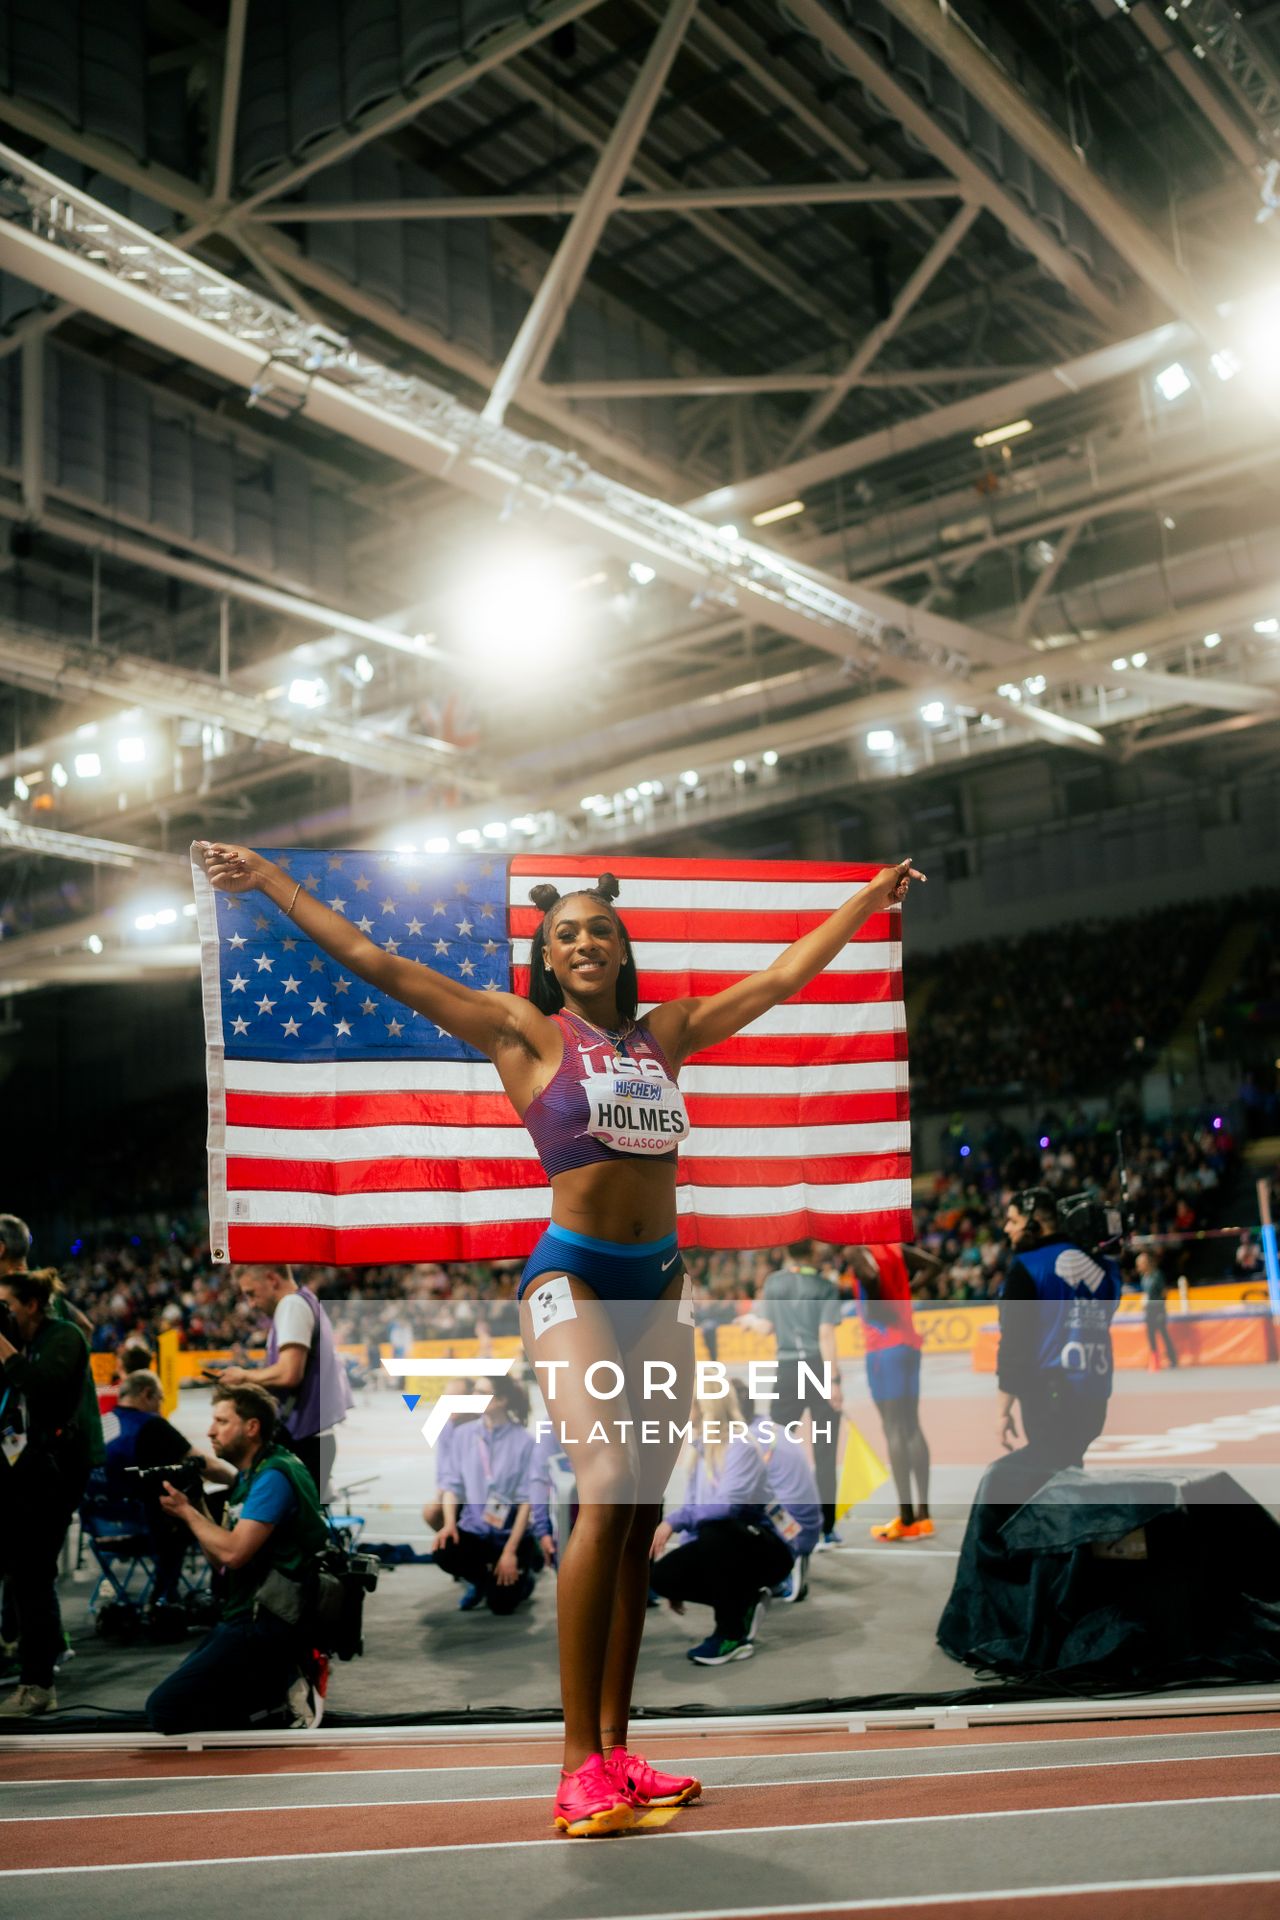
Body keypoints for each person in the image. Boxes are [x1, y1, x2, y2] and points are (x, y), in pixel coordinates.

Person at [199, 837, 923, 1836]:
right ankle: (575, 1761)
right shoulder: (523, 1032)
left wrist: (866, 900)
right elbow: (379, 964)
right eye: (564, 934)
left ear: (623, 948)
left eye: (599, 930)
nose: (583, 943)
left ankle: (619, 1752)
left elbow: (780, 977)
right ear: (547, 958)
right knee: (606, 1473)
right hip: (570, 1277)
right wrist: (272, 883)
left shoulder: (665, 1034)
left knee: (635, 1511)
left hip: (660, 1287)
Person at [145, 1382, 328, 1734]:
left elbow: (234, 1553)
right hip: (249, 1613)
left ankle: (277, 1700)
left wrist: (186, 1514)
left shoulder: (273, 1475)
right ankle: (272, 1691)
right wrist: (196, 1503)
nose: (211, 1431)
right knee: (181, 1699)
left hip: (268, 1622)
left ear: (251, 1427)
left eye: (221, 1421)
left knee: (165, 1710)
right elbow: (222, 1563)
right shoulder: (253, 1475)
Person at [0, 1268, 92, 1716]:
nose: (4, 1314)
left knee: (32, 1575)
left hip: (51, 1473)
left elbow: (42, 1389)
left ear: (32, 1304)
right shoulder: (27, 1341)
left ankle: (38, 1685)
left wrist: (4, 1350)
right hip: (20, 1471)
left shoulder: (64, 1337)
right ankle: (38, 1660)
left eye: (7, 1306)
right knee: (23, 1575)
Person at [993, 1189, 1123, 1502]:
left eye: (1013, 1221)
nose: (1007, 1229)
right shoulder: (1101, 1266)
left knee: (1049, 1486)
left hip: (1048, 1396)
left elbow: (1015, 1344)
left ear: (1034, 1224)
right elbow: (1110, 1303)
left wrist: (1003, 1411)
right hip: (1094, 1393)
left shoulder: (1028, 1266)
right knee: (1070, 1470)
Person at [649, 1382, 792, 1664]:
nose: (681, 1412)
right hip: (727, 1545)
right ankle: (745, 1602)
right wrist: (680, 1578)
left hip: (766, 1550)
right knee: (661, 1576)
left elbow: (727, 1507)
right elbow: (695, 1508)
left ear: (706, 1408)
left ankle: (732, 1635)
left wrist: (674, 1521)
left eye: (687, 1405)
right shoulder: (700, 1451)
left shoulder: (741, 1445)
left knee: (715, 1528)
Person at [97, 1371, 233, 1608]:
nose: (160, 1407)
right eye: (159, 1400)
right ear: (147, 1394)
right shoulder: (153, 1426)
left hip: (101, 1525)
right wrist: (240, 1479)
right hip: (148, 1528)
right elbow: (205, 1465)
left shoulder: (104, 1422)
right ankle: (217, 1592)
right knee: (216, 1506)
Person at [739, 1239, 844, 1542]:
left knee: (773, 1450)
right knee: (825, 1454)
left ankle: (779, 1521)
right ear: (812, 1251)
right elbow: (826, 1337)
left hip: (787, 1373)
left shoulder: (774, 1283)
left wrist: (749, 1321)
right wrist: (833, 1381)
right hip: (817, 1370)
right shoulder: (825, 1287)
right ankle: (827, 1530)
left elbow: (765, 1327)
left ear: (785, 1251)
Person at [220, 1263, 352, 1499]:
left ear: (272, 1279)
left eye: (251, 1293)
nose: (251, 1304)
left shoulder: (291, 1305)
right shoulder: (307, 1300)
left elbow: (289, 1373)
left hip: (303, 1439)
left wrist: (243, 1377)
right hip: (313, 1437)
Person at [431, 1373, 542, 1614]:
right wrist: (449, 1524)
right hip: (476, 1531)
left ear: (501, 1400)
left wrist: (510, 1552)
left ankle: (524, 1577)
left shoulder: (524, 1442)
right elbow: (452, 1486)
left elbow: (526, 1502)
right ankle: (481, 1581)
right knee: (444, 1549)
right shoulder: (463, 1435)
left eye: (481, 1393)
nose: (473, 1398)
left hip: (509, 1536)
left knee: (502, 1606)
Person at [848, 1243, 937, 1542]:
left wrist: (881, 1306)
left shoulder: (858, 1250)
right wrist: (905, 1294)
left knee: (894, 1429)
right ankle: (924, 1515)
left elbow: (870, 1277)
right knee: (913, 1426)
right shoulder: (895, 1249)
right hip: (909, 1344)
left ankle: (907, 1518)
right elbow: (935, 1265)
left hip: (883, 1348)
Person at [751, 1407, 823, 1604]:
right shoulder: (774, 1428)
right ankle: (781, 1569)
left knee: (738, 1511)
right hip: (808, 1522)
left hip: (790, 1527)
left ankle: (782, 1572)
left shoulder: (748, 1438)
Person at [1136, 1249, 1178, 1369]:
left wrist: (1161, 1307)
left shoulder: (1157, 1275)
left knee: (1163, 1333)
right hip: (1149, 1310)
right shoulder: (1144, 1277)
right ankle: (1154, 1360)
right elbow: (1145, 1293)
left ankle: (1172, 1359)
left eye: (1140, 1263)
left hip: (1158, 1309)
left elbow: (1164, 1292)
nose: (1138, 1266)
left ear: (1146, 1263)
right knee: (1150, 1336)